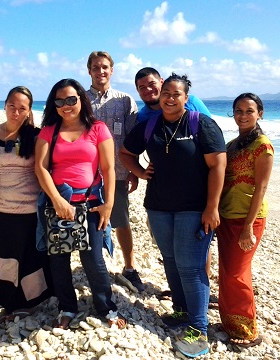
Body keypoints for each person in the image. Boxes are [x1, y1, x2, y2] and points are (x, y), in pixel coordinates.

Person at [119, 73, 226, 358]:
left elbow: (218, 166)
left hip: (194, 207)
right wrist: (140, 173)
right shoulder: (149, 124)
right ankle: (181, 311)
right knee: (170, 260)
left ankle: (199, 330)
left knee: (191, 266)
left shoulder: (200, 123)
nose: (169, 97)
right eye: (165, 92)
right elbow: (126, 152)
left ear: (185, 98)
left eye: (175, 93)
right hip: (158, 206)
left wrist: (212, 207)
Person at [35, 78, 126, 330]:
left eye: (71, 99)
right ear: (54, 104)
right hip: (57, 205)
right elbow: (40, 168)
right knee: (59, 259)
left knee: (93, 259)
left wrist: (108, 205)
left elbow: (108, 169)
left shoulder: (97, 128)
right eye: (60, 101)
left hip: (92, 204)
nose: (66, 105)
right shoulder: (48, 131)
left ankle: (106, 307)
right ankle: (67, 307)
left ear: (81, 100)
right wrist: (57, 200)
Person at [0, 86, 53, 321]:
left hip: (31, 210)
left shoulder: (37, 136)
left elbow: (46, 169)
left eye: (22, 108)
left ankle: (30, 301)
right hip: (0, 209)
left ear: (29, 110)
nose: (16, 111)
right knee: (5, 257)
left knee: (31, 256)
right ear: (5, 105)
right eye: (12, 105)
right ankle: (9, 301)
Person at [135, 66, 214, 280]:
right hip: (162, 190)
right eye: (142, 87)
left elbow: (212, 138)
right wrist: (140, 172)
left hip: (196, 184)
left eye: (152, 84)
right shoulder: (143, 116)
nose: (148, 90)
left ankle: (201, 285)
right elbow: (137, 146)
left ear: (161, 82)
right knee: (170, 247)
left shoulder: (191, 102)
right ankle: (179, 289)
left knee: (196, 245)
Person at [216, 93, 273, 348]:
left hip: (247, 219)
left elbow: (261, 188)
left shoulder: (263, 146)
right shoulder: (233, 145)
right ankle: (229, 323)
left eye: (249, 111)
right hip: (227, 216)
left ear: (259, 113)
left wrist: (248, 227)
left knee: (237, 274)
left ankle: (248, 330)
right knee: (227, 272)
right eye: (238, 110)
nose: (242, 115)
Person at [85, 51, 144, 292]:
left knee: (121, 220)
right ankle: (91, 266)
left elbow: (133, 139)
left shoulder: (125, 100)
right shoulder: (80, 99)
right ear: (89, 70)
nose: (101, 72)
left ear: (112, 70)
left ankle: (129, 267)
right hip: (86, 174)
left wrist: (134, 170)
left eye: (105, 67)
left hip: (118, 172)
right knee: (84, 221)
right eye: (96, 67)